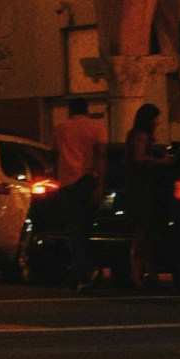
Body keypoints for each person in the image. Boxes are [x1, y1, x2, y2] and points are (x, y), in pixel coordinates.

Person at [54, 97, 107, 292]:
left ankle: (81, 274)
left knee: (74, 231)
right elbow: (101, 155)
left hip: (67, 183)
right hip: (88, 181)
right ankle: (84, 273)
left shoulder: (60, 128)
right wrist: (100, 185)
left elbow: (54, 153)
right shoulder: (96, 127)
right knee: (85, 229)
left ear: (70, 110)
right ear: (87, 110)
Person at [117, 103, 165, 289]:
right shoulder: (141, 136)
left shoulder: (134, 135)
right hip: (140, 189)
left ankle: (149, 272)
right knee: (142, 233)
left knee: (145, 233)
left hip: (138, 188)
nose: (157, 122)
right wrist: (161, 162)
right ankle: (137, 274)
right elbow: (138, 158)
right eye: (155, 118)